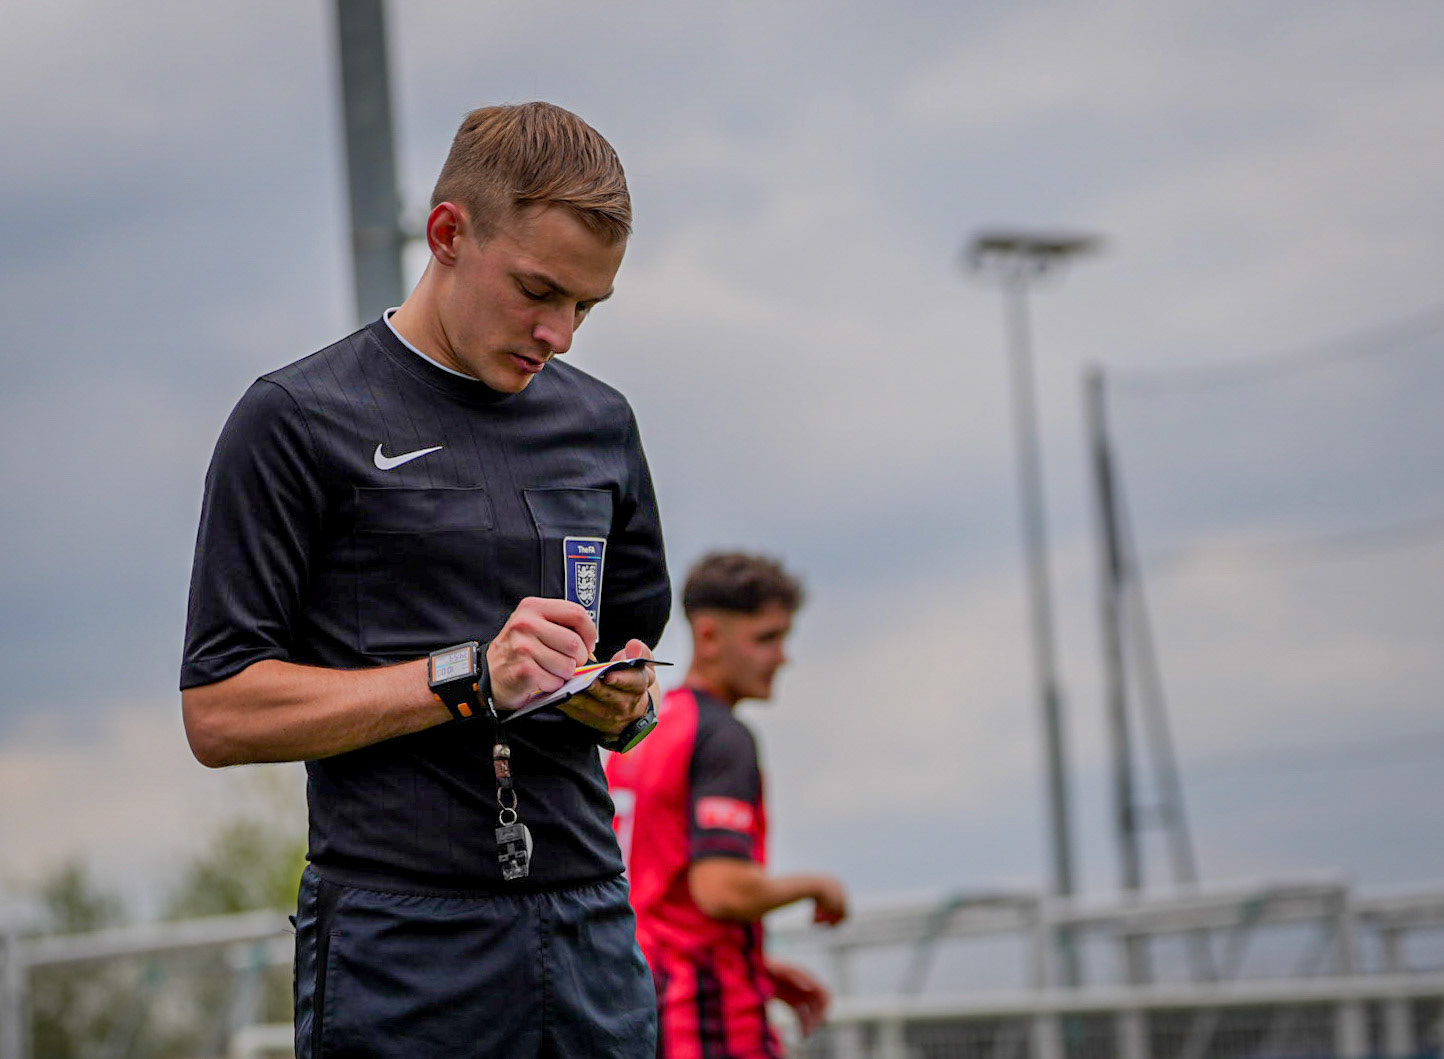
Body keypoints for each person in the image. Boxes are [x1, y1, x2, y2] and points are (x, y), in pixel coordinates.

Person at [181, 102, 670, 1058]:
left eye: (586, 306)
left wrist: (624, 705)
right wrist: (470, 676)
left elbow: (628, 666)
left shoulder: (602, 424)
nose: (560, 333)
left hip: (591, 931)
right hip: (402, 945)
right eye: (537, 290)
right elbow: (220, 712)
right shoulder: (295, 418)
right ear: (447, 233)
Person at [607, 552, 849, 1058]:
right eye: (767, 638)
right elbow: (721, 890)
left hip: (639, 998)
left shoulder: (646, 731)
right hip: (706, 1014)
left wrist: (762, 967)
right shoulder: (722, 736)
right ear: (710, 636)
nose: (782, 657)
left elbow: (661, 894)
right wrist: (818, 886)